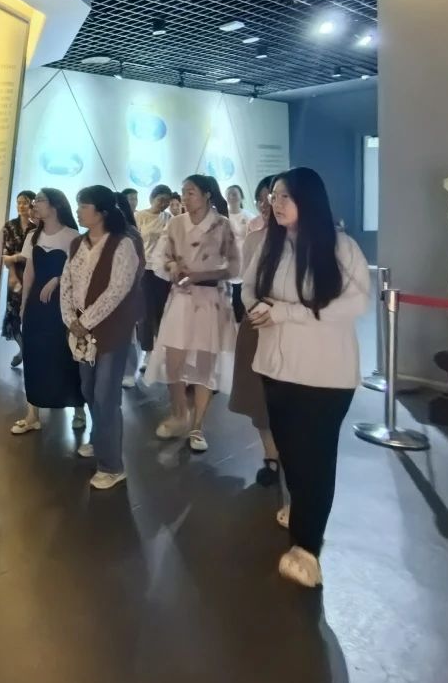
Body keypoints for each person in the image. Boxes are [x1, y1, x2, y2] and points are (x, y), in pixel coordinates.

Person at [244, 168, 370, 588]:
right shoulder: (269, 245)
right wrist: (256, 307)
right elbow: (248, 288)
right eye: (274, 196)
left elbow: (353, 305)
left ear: (309, 200)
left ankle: (307, 546)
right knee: (291, 453)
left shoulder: (341, 247)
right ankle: (303, 512)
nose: (276, 204)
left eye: (285, 196)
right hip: (276, 367)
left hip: (325, 375)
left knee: (315, 459)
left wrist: (284, 313)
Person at [60, 186, 144, 490]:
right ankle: (99, 439)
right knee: (89, 388)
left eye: (84, 206)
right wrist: (71, 319)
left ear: (103, 212)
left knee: (106, 395)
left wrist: (85, 321)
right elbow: (66, 283)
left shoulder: (123, 244)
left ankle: (112, 465)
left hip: (110, 330)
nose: (79, 210)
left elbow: (117, 291)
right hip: (81, 330)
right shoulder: (77, 244)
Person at [148, 175, 239, 452]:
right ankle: (179, 414)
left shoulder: (222, 226)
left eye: (191, 192)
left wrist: (203, 275)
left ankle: (198, 425)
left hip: (211, 302)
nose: (185, 198)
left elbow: (235, 268)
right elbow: (160, 259)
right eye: (184, 192)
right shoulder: (175, 224)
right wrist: (172, 267)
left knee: (204, 365)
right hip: (181, 299)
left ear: (207, 194)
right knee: (172, 361)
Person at [11, 188, 83, 435]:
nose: (35, 205)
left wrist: (58, 279)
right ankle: (32, 413)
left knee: (64, 354)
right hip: (37, 304)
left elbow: (79, 273)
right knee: (34, 354)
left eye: (39, 200)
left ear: (55, 205)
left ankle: (78, 407)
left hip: (62, 305)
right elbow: (29, 272)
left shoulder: (73, 236)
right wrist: (24, 304)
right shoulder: (33, 235)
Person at [228, 176, 281, 485]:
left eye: (272, 197)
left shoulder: (304, 241)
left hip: (290, 327)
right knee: (258, 394)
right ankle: (270, 455)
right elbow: (247, 283)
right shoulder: (254, 238)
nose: (266, 204)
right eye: (261, 198)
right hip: (257, 321)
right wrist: (254, 307)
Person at [134, 184, 174, 378]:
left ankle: (161, 351)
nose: (163, 204)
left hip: (163, 271)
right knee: (145, 312)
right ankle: (147, 353)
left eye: (167, 201)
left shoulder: (169, 218)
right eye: (160, 200)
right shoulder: (140, 216)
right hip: (145, 270)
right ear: (152, 198)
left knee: (163, 311)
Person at [0, 191, 37, 369]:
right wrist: (13, 274)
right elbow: (5, 254)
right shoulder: (10, 226)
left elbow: (32, 255)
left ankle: (27, 351)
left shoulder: (37, 227)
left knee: (29, 315)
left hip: (33, 274)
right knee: (13, 316)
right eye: (19, 202)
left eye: (25, 202)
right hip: (15, 274)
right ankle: (23, 350)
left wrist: (16, 257)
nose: (21, 206)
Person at [226, 184, 254, 323]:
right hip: (228, 260)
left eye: (235, 193)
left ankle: (242, 322)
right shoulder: (222, 216)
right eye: (229, 194)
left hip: (245, 259)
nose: (232, 196)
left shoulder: (249, 216)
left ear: (241, 197)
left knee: (242, 295)